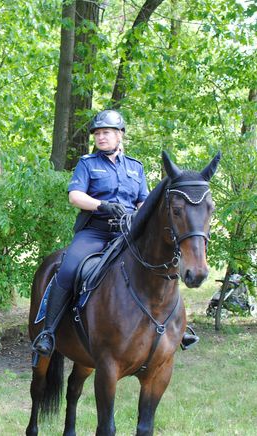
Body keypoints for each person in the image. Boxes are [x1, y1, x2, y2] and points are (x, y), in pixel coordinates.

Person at [32, 109, 199, 357]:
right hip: (95, 232)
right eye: (98, 133)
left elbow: (144, 202)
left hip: (129, 233)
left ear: (120, 135)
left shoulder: (135, 167)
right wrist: (102, 205)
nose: (101, 137)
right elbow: (75, 196)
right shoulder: (87, 164)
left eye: (106, 132)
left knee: (164, 265)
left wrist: (142, 220)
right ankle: (48, 331)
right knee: (67, 269)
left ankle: (179, 326)